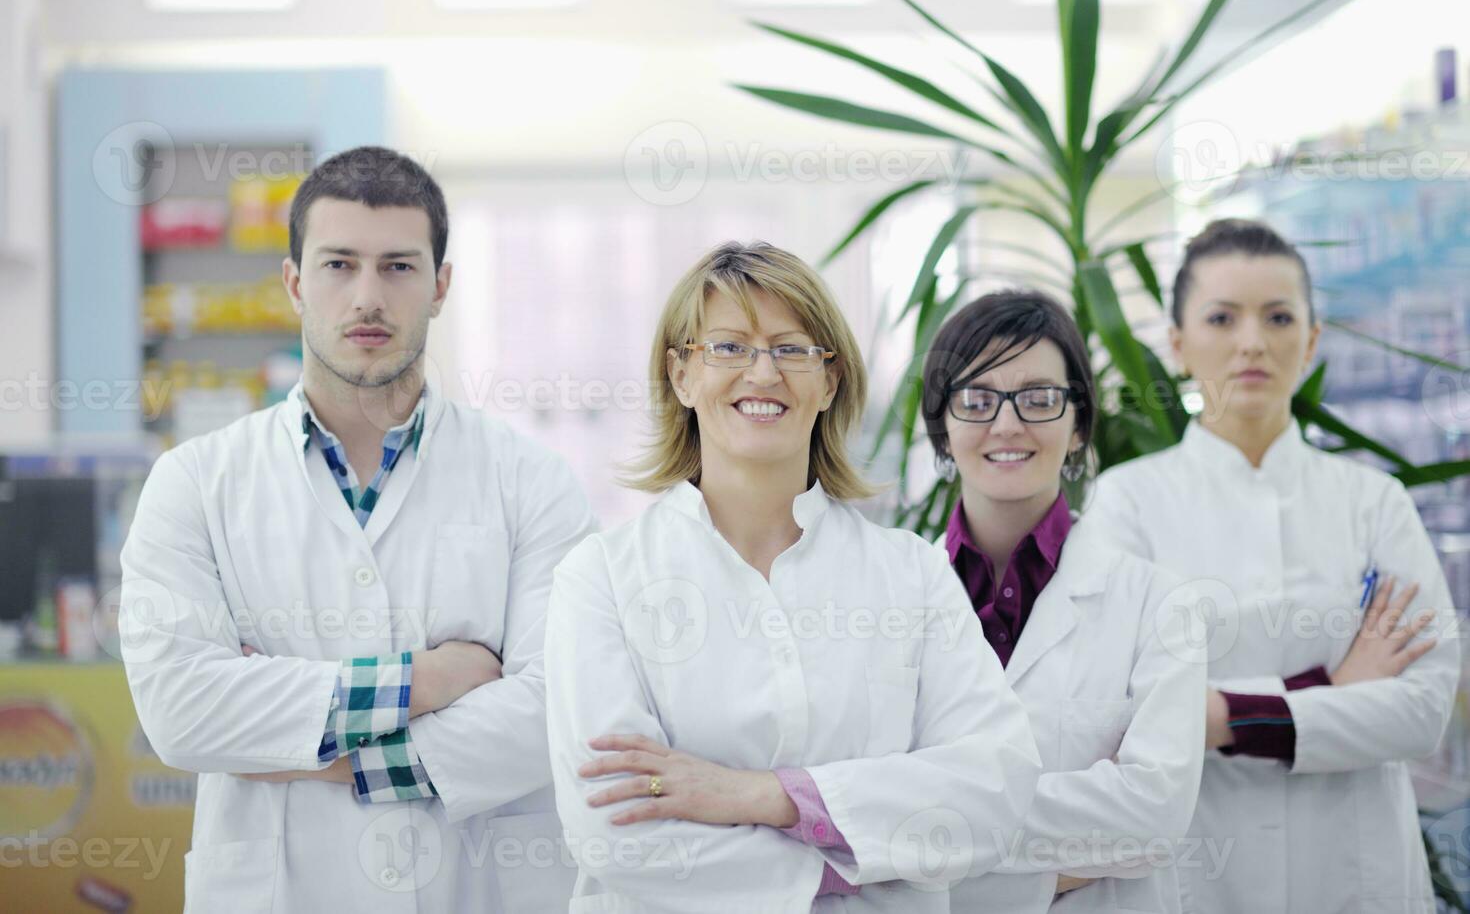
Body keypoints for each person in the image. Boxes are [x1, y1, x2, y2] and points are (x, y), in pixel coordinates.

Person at [119, 146, 596, 912]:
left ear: (441, 286)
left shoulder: (531, 481)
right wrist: (435, 679)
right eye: (339, 265)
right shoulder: (195, 483)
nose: (368, 297)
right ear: (294, 283)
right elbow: (182, 709)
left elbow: (555, 711)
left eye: (399, 267)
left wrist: (315, 755)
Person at [544, 241, 1041, 912]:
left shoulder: (910, 574)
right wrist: (866, 859)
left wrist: (762, 796)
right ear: (681, 376)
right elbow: (615, 831)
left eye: (792, 348)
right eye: (727, 347)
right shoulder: (600, 577)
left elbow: (996, 786)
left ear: (829, 381)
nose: (762, 372)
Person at [1071, 218, 1461, 913]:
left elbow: (1421, 710)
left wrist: (1218, 712)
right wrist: (1333, 685)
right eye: (1222, 318)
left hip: (1356, 873)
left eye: (1278, 317)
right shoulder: (1127, 503)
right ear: (1180, 345)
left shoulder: (1374, 503)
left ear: (1311, 341)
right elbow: (1118, 713)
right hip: (1198, 878)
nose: (1252, 341)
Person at [919, 290, 1205, 913]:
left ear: (1078, 428)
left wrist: (936, 825)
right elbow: (859, 796)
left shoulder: (1160, 606)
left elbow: (1153, 814)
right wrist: (1058, 862)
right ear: (943, 429)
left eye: (1040, 399)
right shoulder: (890, 596)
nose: (1007, 424)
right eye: (976, 399)